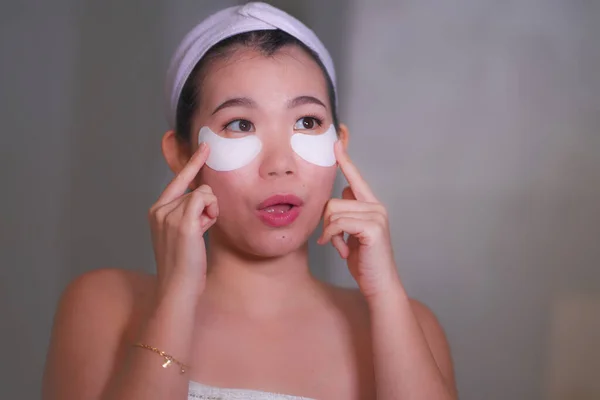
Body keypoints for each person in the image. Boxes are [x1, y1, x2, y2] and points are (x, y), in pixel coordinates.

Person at [42, 3, 457, 399]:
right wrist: (176, 299)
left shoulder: (408, 323)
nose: (280, 165)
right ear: (182, 155)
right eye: (240, 124)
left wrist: (385, 296)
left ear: (339, 145)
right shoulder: (105, 306)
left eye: (307, 122)